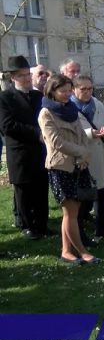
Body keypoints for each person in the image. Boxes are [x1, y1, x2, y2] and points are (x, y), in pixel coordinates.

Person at [38, 74, 100, 265]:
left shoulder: (71, 109)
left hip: (79, 165)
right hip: (61, 166)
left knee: (72, 212)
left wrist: (83, 156)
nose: (67, 94)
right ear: (52, 91)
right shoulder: (46, 113)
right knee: (70, 211)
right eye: (62, 91)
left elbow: (81, 135)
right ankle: (82, 251)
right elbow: (56, 142)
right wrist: (81, 152)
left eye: (68, 90)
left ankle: (66, 251)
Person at [0, 55, 49, 240]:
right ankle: (27, 225)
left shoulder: (38, 96)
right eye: (22, 75)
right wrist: (36, 133)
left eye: (28, 74)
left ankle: (42, 224)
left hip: (40, 151)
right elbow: (7, 126)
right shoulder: (5, 98)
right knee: (24, 191)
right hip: (20, 152)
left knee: (41, 188)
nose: (27, 78)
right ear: (13, 77)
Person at [72, 75, 104, 242]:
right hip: (81, 157)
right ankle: (81, 235)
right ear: (74, 90)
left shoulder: (97, 104)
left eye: (90, 88)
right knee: (83, 197)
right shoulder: (69, 107)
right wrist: (91, 133)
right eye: (83, 89)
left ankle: (102, 229)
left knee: (103, 193)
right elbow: (69, 134)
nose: (87, 92)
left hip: (100, 155)